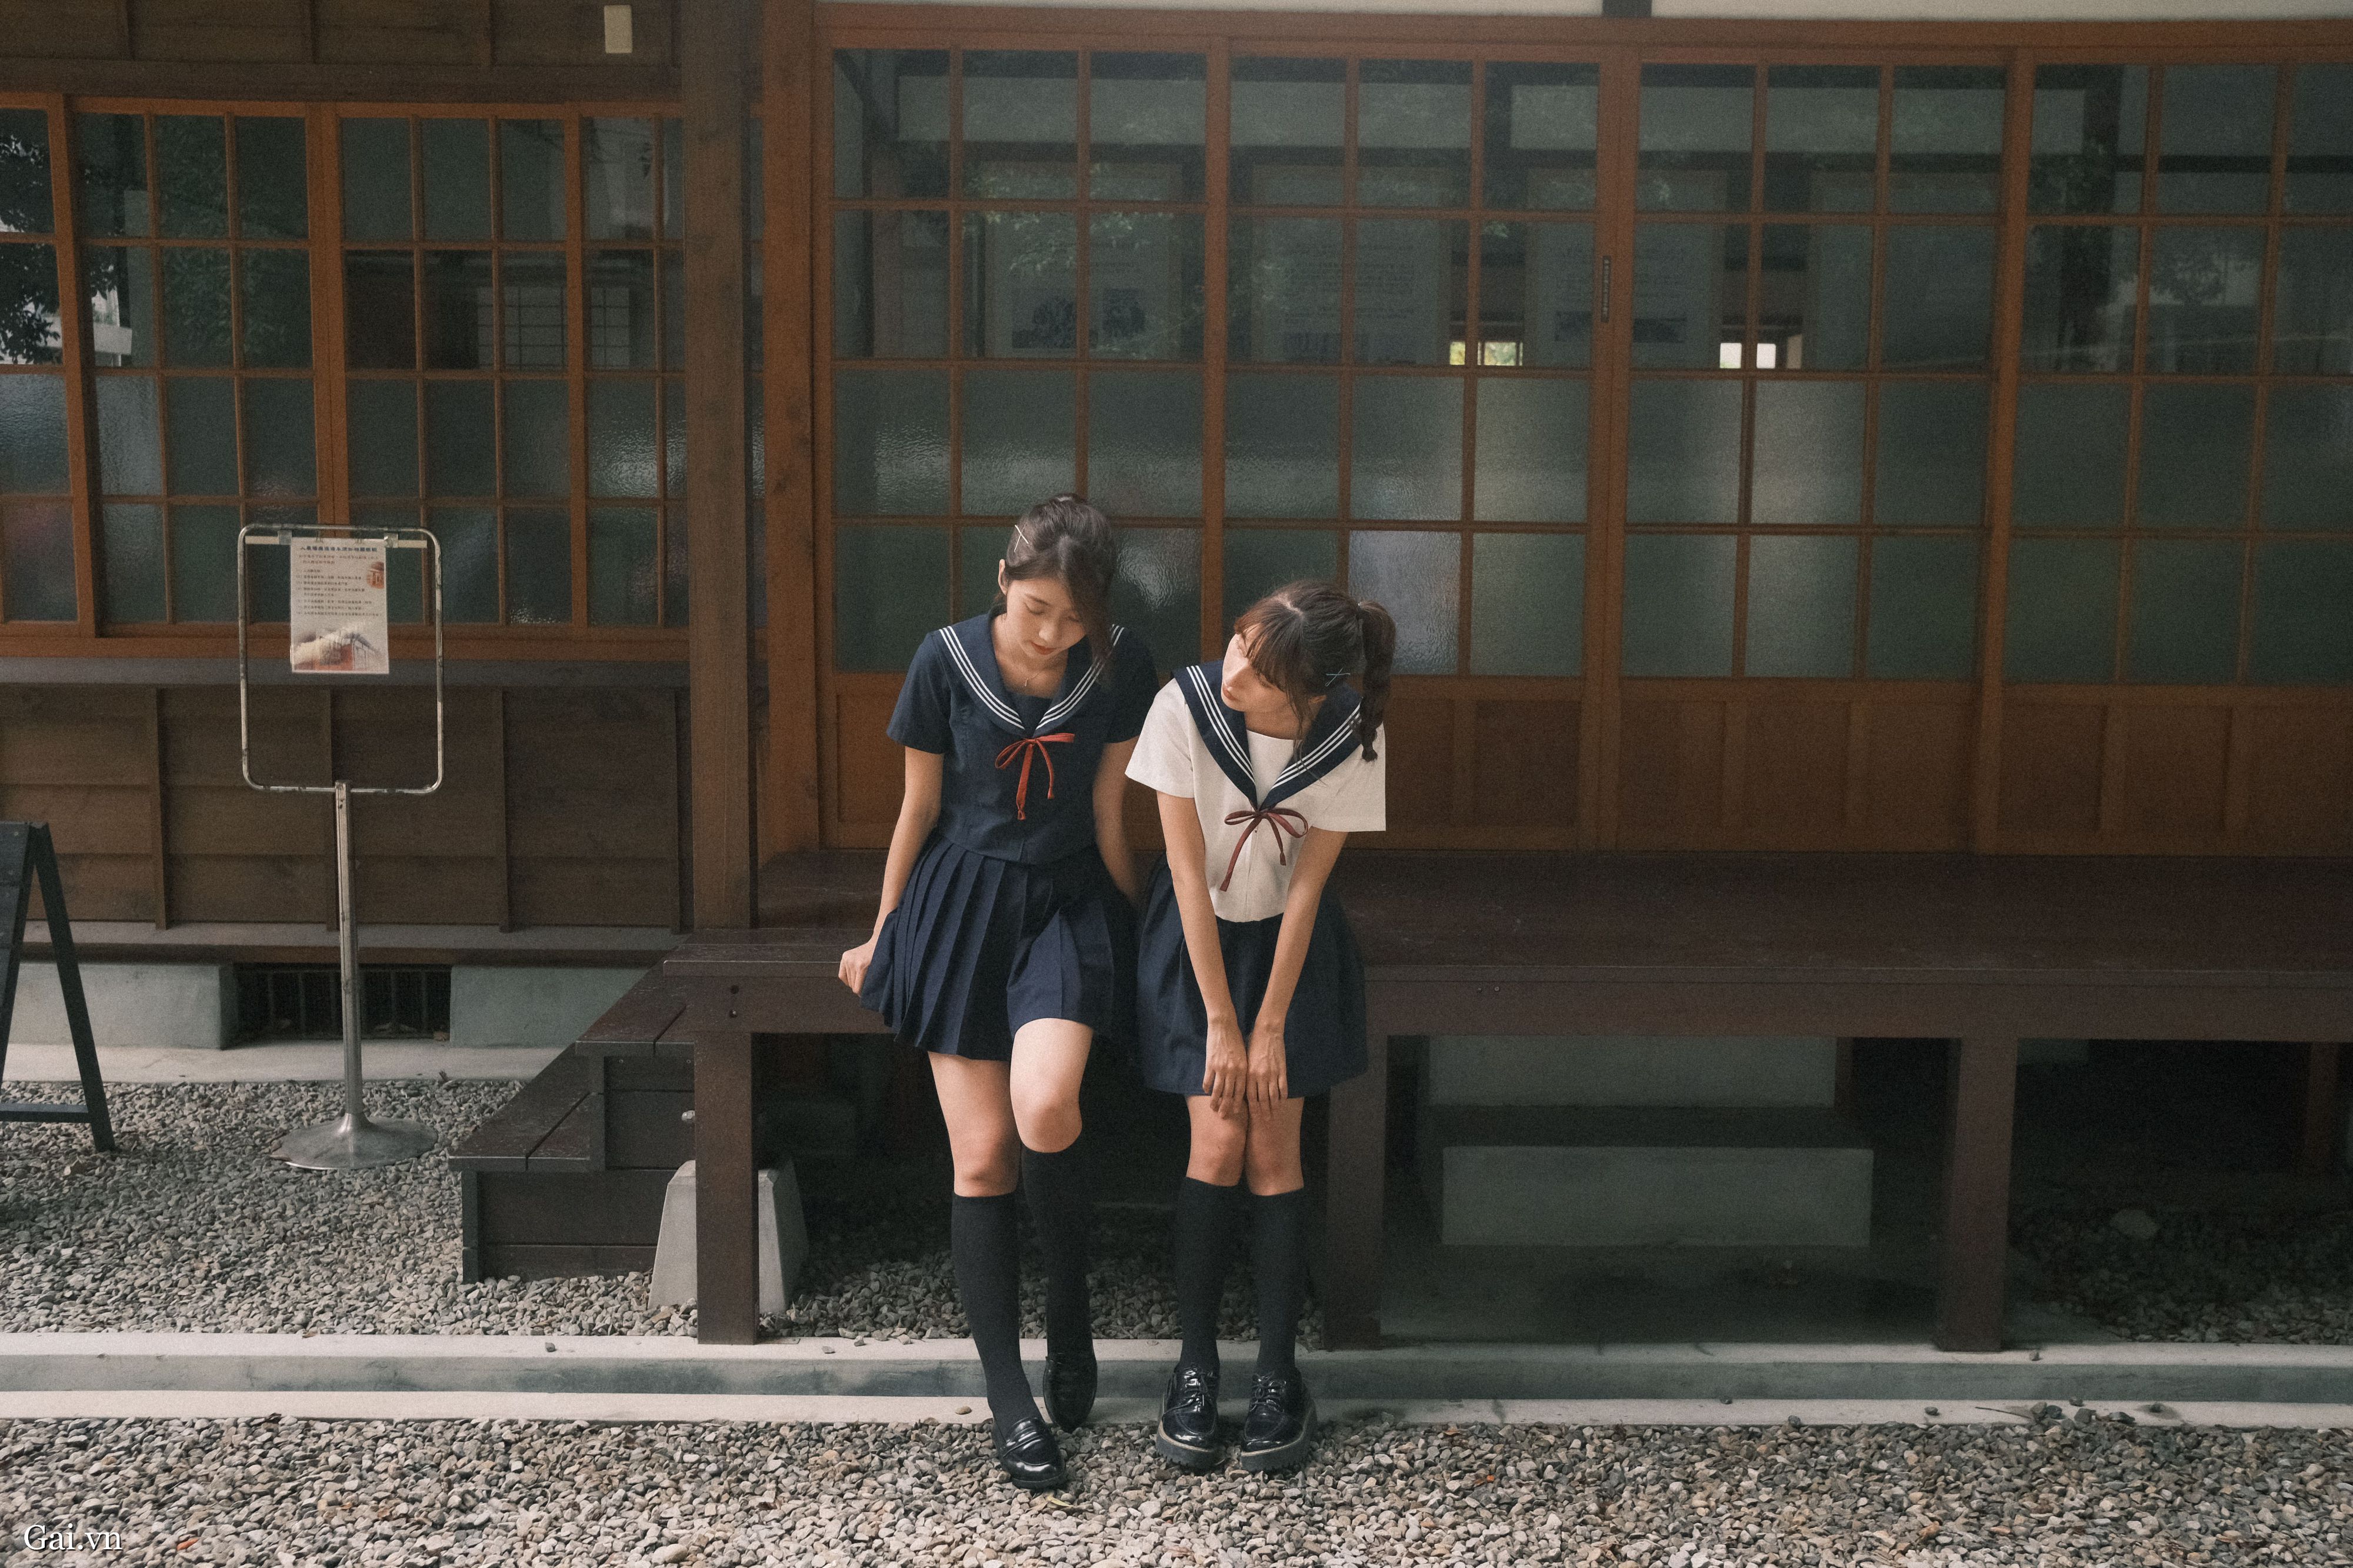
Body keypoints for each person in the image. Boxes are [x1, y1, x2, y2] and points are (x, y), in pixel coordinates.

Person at [838, 496, 1156, 1490]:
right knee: (981, 1155)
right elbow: (918, 807)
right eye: (1037, 609)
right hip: (962, 905)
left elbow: (1108, 809)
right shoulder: (944, 660)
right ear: (1004, 581)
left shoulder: (1119, 663)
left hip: (1067, 901)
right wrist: (884, 929)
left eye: (1074, 616)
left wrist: (1148, 926)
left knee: (1047, 1105)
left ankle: (1070, 1307)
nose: (1054, 633)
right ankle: (1010, 1398)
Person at [1124, 580, 1394, 1474]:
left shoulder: (1352, 730)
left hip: (1291, 948)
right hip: (1195, 942)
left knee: (1276, 1148)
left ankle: (1279, 1375)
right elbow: (1185, 873)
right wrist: (1221, 1022)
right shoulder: (1185, 705)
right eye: (1239, 642)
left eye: (1260, 668)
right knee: (1217, 1140)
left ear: (1308, 691)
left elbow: (1308, 888)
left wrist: (1270, 1024)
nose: (1233, 669)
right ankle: (1195, 1371)